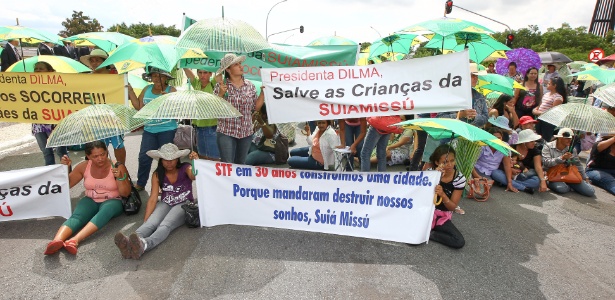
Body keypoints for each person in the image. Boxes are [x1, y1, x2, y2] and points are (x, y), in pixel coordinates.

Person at [43, 141, 131, 255]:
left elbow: (125, 193)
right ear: (88, 156)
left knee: (105, 212)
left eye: (103, 154)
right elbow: (68, 184)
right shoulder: (84, 166)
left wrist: (120, 178)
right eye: (95, 156)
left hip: (113, 200)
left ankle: (74, 240)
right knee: (78, 216)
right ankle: (56, 241)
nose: (100, 158)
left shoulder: (117, 166)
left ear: (107, 152)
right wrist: (66, 168)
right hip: (91, 199)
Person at [114, 144, 198, 259]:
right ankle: (129, 244)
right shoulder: (157, 174)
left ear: (177, 159)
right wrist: (146, 220)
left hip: (183, 204)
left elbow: (194, 175)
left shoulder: (185, 167)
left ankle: (145, 244)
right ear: (161, 160)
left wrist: (195, 162)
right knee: (151, 223)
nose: (169, 163)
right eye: (166, 160)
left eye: (172, 159)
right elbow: (153, 198)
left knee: (165, 225)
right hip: (165, 202)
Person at [129, 67, 178, 191]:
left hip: (167, 129)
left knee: (166, 159)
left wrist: (170, 100)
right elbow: (138, 107)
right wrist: (130, 90)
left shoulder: (171, 90)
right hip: (149, 130)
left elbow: (179, 111)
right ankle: (141, 183)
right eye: (155, 76)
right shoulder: (146, 89)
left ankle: (165, 185)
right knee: (144, 157)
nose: (157, 79)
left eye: (160, 76)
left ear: (166, 78)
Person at [214, 53, 264, 164]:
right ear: (228, 70)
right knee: (227, 165)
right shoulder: (221, 86)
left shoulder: (250, 85)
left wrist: (263, 94)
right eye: (236, 64)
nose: (241, 66)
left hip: (246, 132)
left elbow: (256, 107)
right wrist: (221, 94)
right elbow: (215, 108)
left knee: (240, 165)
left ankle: (236, 182)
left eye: (240, 63)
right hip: (226, 131)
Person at [82, 48, 125, 163]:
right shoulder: (86, 79)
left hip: (113, 117)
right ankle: (101, 172)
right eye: (92, 60)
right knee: (97, 147)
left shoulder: (116, 77)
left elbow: (123, 94)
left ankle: (121, 169)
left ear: (104, 62)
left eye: (98, 60)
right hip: (94, 119)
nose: (94, 63)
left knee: (118, 145)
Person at [31, 62, 69, 166]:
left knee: (61, 152)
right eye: (36, 69)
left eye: (41, 69)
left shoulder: (57, 85)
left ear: (50, 71)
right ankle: (51, 179)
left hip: (55, 124)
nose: (38, 71)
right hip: (39, 124)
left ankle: (67, 177)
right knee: (47, 153)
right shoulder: (29, 86)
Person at [429, 144, 465, 249]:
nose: (449, 165)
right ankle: (426, 230)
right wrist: (436, 177)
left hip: (442, 216)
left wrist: (443, 195)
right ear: (437, 162)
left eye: (452, 161)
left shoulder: (459, 178)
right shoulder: (430, 173)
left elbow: (452, 207)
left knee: (459, 241)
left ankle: (430, 234)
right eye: (445, 162)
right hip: (426, 212)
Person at [542, 128, 595, 197]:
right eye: (567, 138)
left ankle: (570, 183)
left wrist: (585, 177)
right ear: (560, 138)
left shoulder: (572, 149)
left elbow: (578, 164)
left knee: (590, 191)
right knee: (562, 189)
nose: (570, 140)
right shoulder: (548, 146)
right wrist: (562, 158)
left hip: (568, 173)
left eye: (571, 138)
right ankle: (566, 185)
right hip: (552, 174)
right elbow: (546, 163)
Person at [492, 129, 548, 193]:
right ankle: (523, 187)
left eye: (534, 141)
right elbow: (502, 163)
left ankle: (506, 183)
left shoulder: (535, 151)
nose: (534, 143)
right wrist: (511, 169)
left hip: (524, 174)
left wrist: (543, 181)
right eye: (531, 141)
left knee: (536, 181)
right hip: (508, 172)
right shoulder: (512, 148)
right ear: (524, 142)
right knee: (495, 173)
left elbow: (538, 167)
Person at [184, 68, 219, 160]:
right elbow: (187, 70)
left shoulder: (213, 84)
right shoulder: (196, 84)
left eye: (205, 72)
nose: (202, 75)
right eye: (200, 72)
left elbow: (221, 72)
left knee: (213, 156)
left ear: (211, 74)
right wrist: (183, 61)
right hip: (198, 127)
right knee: (202, 155)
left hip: (212, 126)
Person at [533, 77, 567, 142]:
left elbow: (552, 112)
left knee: (545, 138)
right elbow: (540, 105)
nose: (547, 85)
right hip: (539, 119)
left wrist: (539, 113)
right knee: (537, 137)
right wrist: (535, 110)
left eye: (549, 83)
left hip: (548, 122)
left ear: (554, 86)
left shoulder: (558, 97)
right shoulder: (546, 94)